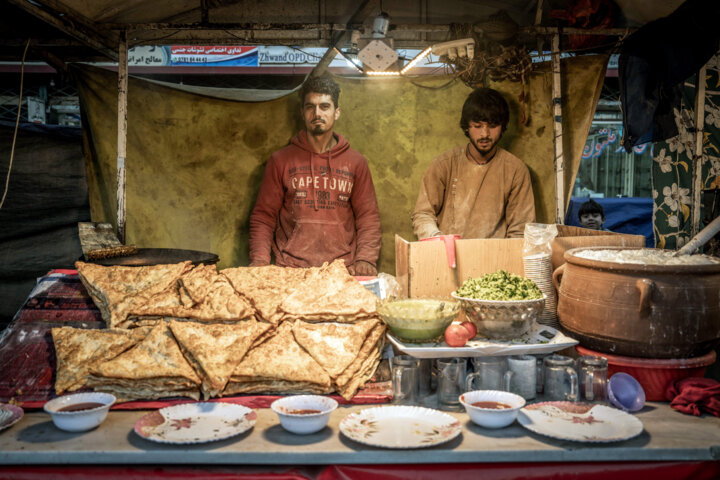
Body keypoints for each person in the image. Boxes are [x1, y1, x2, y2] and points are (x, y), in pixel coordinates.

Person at [249, 76, 381, 275]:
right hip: (290, 270)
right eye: (310, 107)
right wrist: (259, 261)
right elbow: (263, 217)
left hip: (342, 270)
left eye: (324, 106)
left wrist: (365, 259)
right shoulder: (280, 160)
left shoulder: (356, 162)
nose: (317, 113)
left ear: (336, 113)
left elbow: (367, 217)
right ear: (302, 113)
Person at [412, 87, 536, 239]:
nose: (485, 134)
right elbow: (423, 214)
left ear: (503, 126)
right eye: (477, 126)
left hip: (494, 258)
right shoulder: (444, 164)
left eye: (492, 126)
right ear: (467, 127)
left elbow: (520, 230)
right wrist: (436, 238)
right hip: (447, 256)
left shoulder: (515, 170)